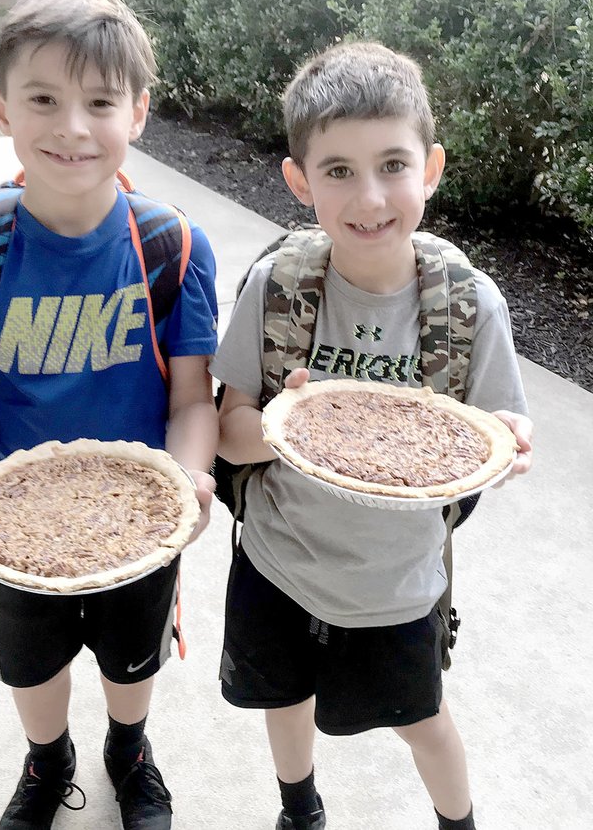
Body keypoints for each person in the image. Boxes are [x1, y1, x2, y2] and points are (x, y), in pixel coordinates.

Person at [0, 0, 218, 829]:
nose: (72, 127)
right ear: (1, 107)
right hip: (14, 525)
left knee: (131, 658)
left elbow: (191, 395)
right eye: (43, 99)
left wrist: (189, 479)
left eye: (99, 102)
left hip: (142, 519)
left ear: (140, 113)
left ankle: (131, 747)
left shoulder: (172, 246)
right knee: (31, 663)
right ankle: (49, 761)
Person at [210, 41, 534, 830]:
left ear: (431, 167)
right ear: (300, 180)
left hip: (399, 582)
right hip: (280, 560)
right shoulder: (278, 286)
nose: (371, 196)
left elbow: (497, 428)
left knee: (422, 719)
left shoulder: (467, 303)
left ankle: (456, 820)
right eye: (339, 170)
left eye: (394, 164)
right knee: (282, 699)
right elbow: (229, 430)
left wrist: (511, 442)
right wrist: (291, 432)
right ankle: (299, 808)